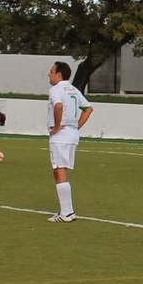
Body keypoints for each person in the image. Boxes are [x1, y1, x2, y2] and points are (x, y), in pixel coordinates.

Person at [46, 61, 93, 223]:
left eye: (51, 72)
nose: (49, 74)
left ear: (58, 74)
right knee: (59, 169)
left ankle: (66, 213)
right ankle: (68, 211)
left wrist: (57, 126)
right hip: (72, 134)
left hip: (61, 135)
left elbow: (58, 106)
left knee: (59, 169)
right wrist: (76, 126)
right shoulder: (73, 89)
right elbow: (88, 109)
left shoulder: (55, 89)